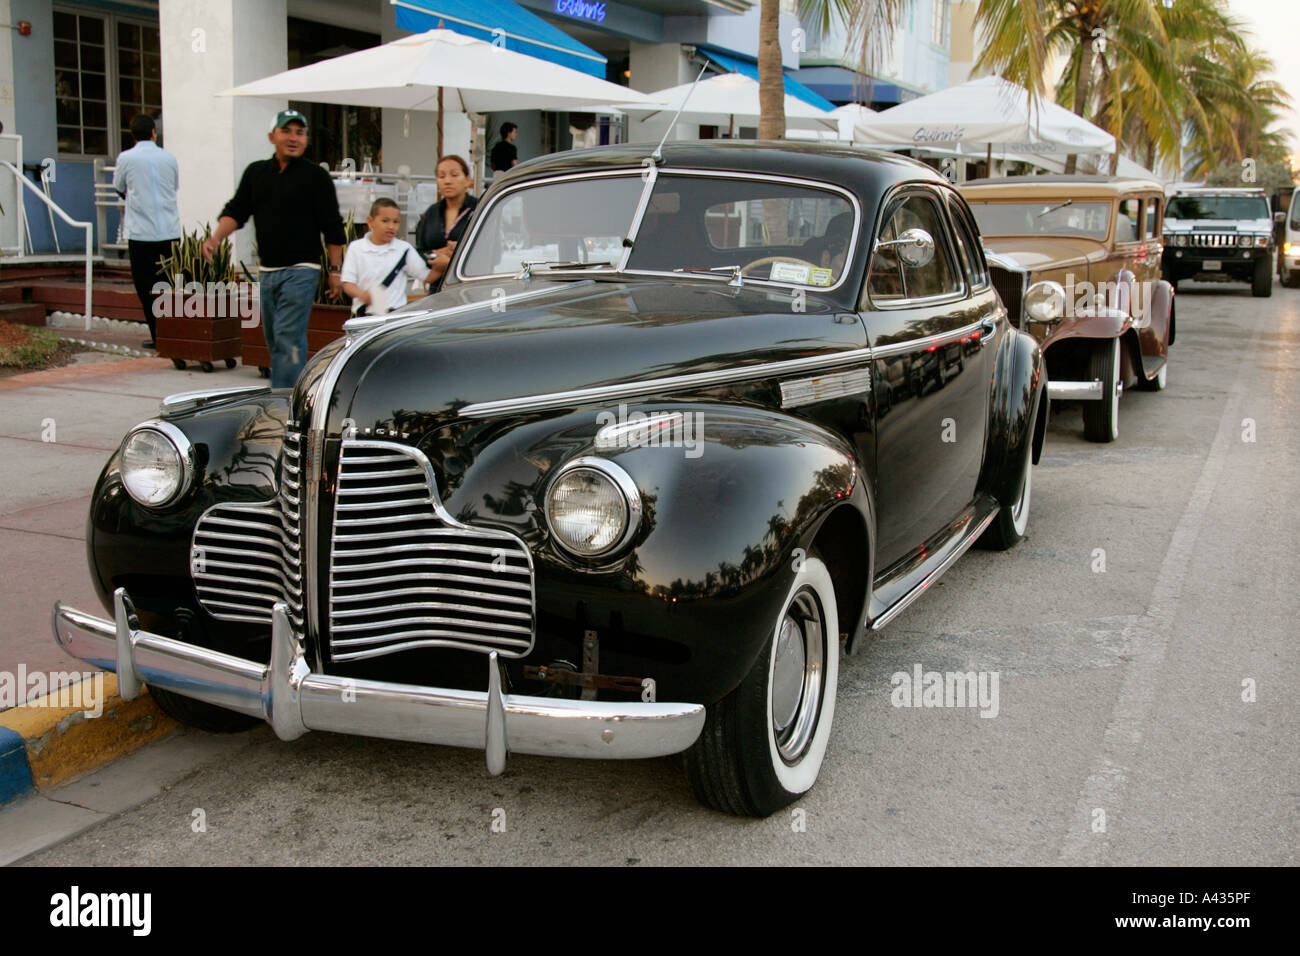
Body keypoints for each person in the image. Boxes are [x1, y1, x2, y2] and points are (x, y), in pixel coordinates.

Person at [201, 109, 345, 388]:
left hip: (302, 270)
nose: (293, 138)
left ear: (306, 140)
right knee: (276, 339)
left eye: (300, 133)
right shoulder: (257, 173)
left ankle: (285, 400)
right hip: (268, 272)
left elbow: (333, 226)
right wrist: (215, 239)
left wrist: (335, 271)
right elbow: (237, 210)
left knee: (288, 335)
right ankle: (294, 391)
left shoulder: (316, 177)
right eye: (286, 131)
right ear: (272, 136)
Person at [114, 114, 180, 349]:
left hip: (141, 234)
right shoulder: (169, 158)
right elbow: (174, 186)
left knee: (146, 286)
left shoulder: (126, 158)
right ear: (154, 132)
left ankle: (158, 335)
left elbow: (119, 187)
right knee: (170, 285)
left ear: (132, 135)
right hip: (170, 232)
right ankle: (174, 333)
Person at [341, 198, 432, 316]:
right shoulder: (356, 248)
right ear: (370, 221)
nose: (391, 226)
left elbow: (426, 276)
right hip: (364, 316)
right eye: (385, 221)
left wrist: (444, 263)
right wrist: (362, 295)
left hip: (394, 316)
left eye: (396, 222)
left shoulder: (404, 249)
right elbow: (348, 283)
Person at [415, 155, 478, 288]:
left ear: (467, 180)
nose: (447, 181)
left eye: (454, 175)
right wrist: (438, 255)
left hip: (468, 286)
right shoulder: (431, 213)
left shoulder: (479, 209)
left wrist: (453, 259)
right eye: (441, 176)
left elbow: (491, 252)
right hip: (436, 288)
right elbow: (420, 252)